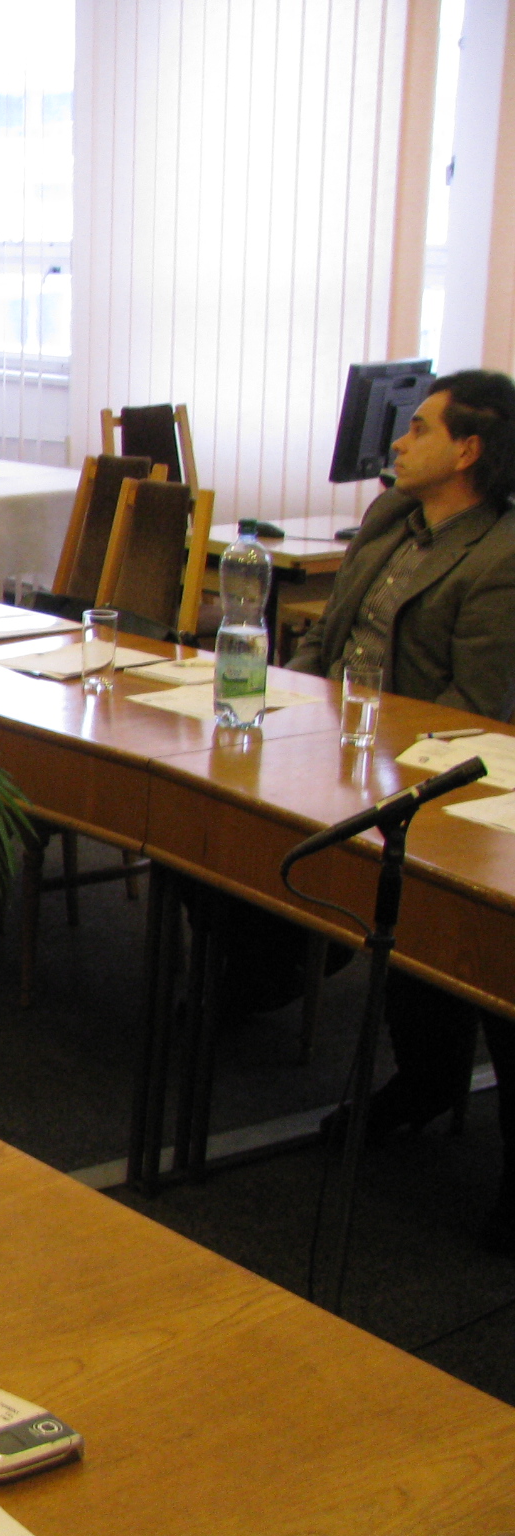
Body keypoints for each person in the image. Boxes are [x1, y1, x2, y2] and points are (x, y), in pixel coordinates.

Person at [287, 368, 515, 1251]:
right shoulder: (390, 517)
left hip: (428, 776)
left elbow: (475, 710)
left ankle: (434, 1081)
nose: (399, 440)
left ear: (468, 451)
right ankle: (263, 979)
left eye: (419, 428)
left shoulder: (499, 556)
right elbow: (330, 632)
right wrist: (284, 701)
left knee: (462, 930)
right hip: (332, 741)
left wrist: (374, 766)